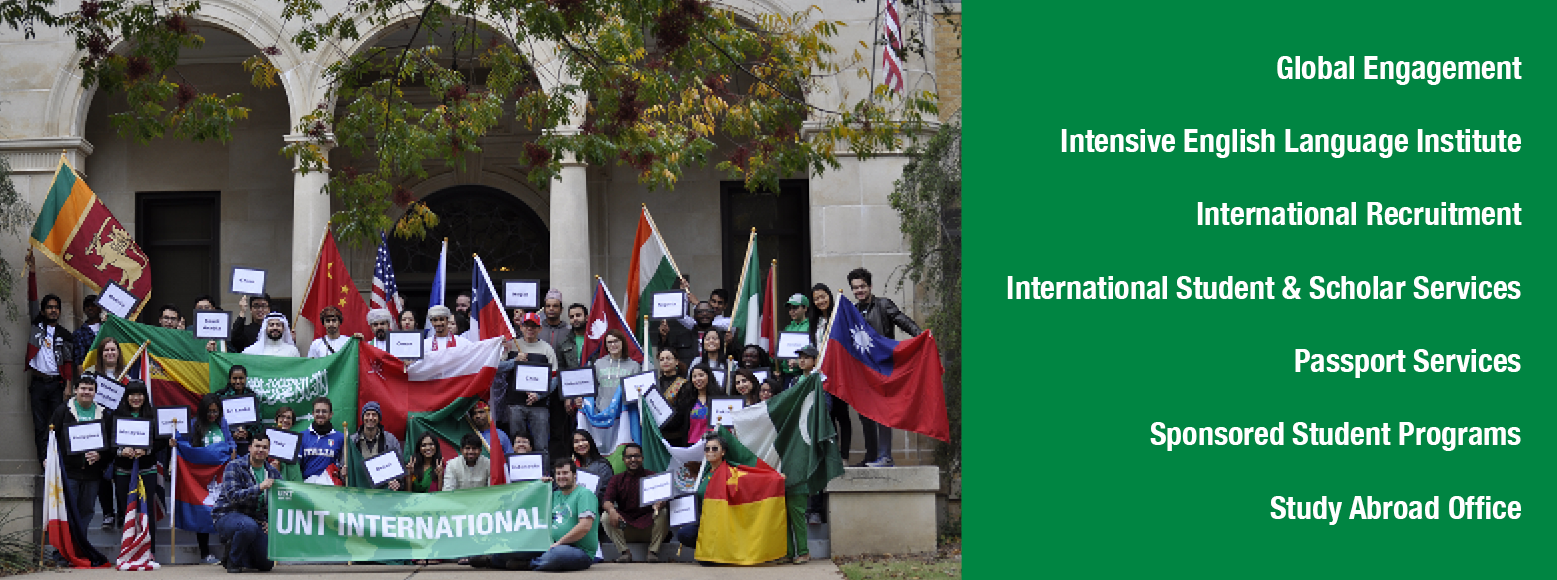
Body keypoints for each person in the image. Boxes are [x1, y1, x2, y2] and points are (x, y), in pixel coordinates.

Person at [848, 267, 922, 467]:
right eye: (855, 288)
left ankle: (885, 457)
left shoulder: (883, 305)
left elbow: (902, 321)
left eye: (862, 286)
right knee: (865, 414)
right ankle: (871, 456)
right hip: (863, 369)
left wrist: (920, 335)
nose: (859, 290)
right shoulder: (853, 311)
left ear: (870, 286)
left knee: (882, 412)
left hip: (882, 367)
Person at [212, 434, 279, 574]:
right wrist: (259, 487)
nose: (261, 450)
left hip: (256, 519)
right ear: (250, 448)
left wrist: (270, 521)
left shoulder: (273, 473)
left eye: (265, 447)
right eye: (257, 446)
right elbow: (233, 496)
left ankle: (236, 550)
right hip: (227, 514)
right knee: (247, 527)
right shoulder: (234, 466)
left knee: (266, 565)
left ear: (269, 450)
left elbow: (280, 501)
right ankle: (233, 561)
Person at [50, 375, 108, 536]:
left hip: (92, 474)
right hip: (70, 472)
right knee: (67, 512)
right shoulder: (63, 410)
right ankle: (62, 553)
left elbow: (110, 442)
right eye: (83, 388)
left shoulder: (103, 413)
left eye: (90, 389)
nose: (86, 392)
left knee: (87, 512)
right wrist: (46, 457)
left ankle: (80, 549)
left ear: (95, 392)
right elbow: (50, 437)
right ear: (75, 390)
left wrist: (100, 455)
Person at [111, 381, 164, 549]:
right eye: (132, 394)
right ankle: (128, 550)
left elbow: (161, 442)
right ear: (126, 397)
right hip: (123, 471)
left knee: (146, 511)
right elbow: (109, 443)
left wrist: (147, 451)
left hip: (147, 470)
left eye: (140, 394)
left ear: (145, 396)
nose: (136, 398)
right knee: (126, 511)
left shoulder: (153, 416)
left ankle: (150, 551)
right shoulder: (116, 415)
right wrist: (121, 451)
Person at [601, 443, 670, 563]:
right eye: (629, 457)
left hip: (649, 528)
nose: (633, 459)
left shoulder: (652, 476)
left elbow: (664, 498)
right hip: (626, 528)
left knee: (663, 512)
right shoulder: (616, 479)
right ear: (623, 459)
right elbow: (607, 500)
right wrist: (612, 510)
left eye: (637, 456)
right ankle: (624, 552)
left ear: (642, 458)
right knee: (606, 516)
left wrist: (661, 503)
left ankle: (652, 552)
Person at [29, 293, 73, 464]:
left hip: (57, 384)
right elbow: (31, 299)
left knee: (56, 425)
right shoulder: (36, 326)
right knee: (40, 426)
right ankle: (44, 463)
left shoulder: (65, 334)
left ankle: (56, 463)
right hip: (38, 384)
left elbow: (68, 361)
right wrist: (32, 270)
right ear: (43, 310)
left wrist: (68, 386)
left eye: (56, 307)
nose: (53, 310)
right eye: (49, 307)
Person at [502, 313, 555, 455]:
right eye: (527, 326)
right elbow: (497, 368)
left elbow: (554, 378)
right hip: (515, 404)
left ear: (540, 329)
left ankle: (543, 475)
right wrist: (514, 362)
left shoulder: (547, 349)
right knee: (517, 445)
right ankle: (518, 475)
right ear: (521, 327)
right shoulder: (512, 345)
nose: (530, 329)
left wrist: (539, 395)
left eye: (534, 326)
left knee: (541, 445)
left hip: (539, 405)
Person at [673, 432, 729, 563]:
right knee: (683, 534)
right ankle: (708, 551)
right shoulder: (704, 474)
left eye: (715, 448)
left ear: (723, 452)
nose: (710, 451)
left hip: (722, 523)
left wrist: (776, 479)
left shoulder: (730, 472)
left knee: (706, 563)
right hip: (703, 522)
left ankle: (719, 552)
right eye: (707, 449)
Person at [809, 283, 850, 460]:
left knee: (842, 415)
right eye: (816, 298)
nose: (820, 301)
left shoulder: (839, 317)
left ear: (830, 296)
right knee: (828, 415)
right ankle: (833, 456)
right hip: (821, 374)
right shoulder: (814, 321)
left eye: (823, 296)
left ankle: (845, 455)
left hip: (838, 373)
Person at [188, 393, 226, 563]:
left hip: (220, 476)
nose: (213, 415)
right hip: (200, 477)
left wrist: (231, 449)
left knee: (225, 511)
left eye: (216, 412)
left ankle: (228, 550)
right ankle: (205, 553)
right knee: (202, 512)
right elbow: (187, 446)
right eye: (209, 412)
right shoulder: (194, 425)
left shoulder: (222, 423)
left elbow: (230, 443)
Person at [350, 401, 403, 490]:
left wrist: (396, 481)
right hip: (359, 491)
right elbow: (345, 467)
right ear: (362, 418)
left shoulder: (390, 440)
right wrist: (343, 472)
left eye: (374, 414)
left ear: (379, 418)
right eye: (367, 414)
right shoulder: (352, 441)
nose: (370, 418)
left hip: (383, 493)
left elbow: (399, 466)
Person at [662, 365, 716, 447]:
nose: (698, 379)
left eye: (701, 375)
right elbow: (676, 421)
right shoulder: (687, 400)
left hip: (714, 445)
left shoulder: (719, 398)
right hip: (692, 446)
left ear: (709, 376)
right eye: (694, 376)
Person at [299, 397, 345, 483]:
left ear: (330, 414)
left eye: (324, 411)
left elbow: (344, 466)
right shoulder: (302, 436)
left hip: (331, 488)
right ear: (313, 413)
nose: (320, 414)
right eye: (317, 411)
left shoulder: (341, 438)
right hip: (306, 488)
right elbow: (296, 467)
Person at [591, 329, 640, 405]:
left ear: (622, 343)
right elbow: (592, 389)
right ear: (606, 345)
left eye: (616, 341)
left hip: (624, 412)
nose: (613, 345)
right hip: (602, 412)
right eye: (609, 342)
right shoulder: (598, 364)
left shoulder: (634, 365)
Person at [538, 289, 577, 368]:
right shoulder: (537, 329)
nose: (551, 309)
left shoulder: (569, 331)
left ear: (561, 310)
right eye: (548, 306)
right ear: (544, 309)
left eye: (555, 306)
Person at [570, 430, 613, 497]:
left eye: (584, 440)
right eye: (576, 442)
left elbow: (606, 492)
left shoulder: (602, 466)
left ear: (590, 442)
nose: (580, 444)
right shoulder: (569, 465)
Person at [267, 407, 303, 482]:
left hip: (290, 479)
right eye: (282, 416)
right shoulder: (266, 436)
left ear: (292, 423)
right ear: (275, 420)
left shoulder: (296, 441)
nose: (285, 420)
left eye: (289, 418)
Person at [779, 293, 811, 376]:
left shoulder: (811, 326)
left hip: (803, 373)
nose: (792, 311)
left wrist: (798, 362)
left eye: (795, 308)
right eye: (790, 308)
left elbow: (813, 350)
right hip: (787, 373)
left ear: (805, 308)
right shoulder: (787, 328)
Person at [71, 294, 102, 364]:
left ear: (100, 308)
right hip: (90, 372)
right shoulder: (78, 333)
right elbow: (79, 361)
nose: (90, 308)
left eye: (93, 305)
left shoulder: (107, 328)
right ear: (84, 310)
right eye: (87, 306)